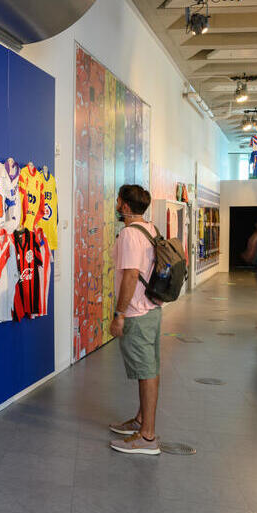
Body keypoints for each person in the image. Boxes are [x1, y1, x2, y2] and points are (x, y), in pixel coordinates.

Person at [107, 184, 163, 455]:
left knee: (145, 372)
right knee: (150, 368)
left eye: (118, 201)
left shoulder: (130, 234)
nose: (116, 205)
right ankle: (141, 421)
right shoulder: (150, 229)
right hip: (152, 307)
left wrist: (119, 315)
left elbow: (130, 276)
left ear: (126, 207)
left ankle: (148, 437)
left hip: (137, 312)